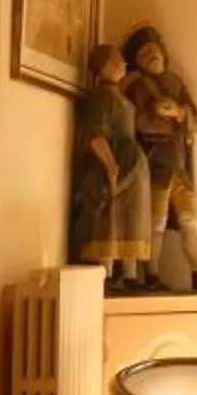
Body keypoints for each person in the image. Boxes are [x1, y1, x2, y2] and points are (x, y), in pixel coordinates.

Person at [119, 23, 197, 290]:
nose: (151, 55)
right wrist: (156, 111)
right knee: (155, 220)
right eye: (143, 53)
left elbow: (195, 117)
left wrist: (179, 113)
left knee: (191, 218)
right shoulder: (135, 85)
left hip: (179, 162)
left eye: (153, 49)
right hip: (153, 162)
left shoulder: (175, 82)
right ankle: (150, 275)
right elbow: (136, 120)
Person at [72, 41, 155, 288]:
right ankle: (106, 271)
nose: (123, 65)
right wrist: (110, 165)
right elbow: (95, 134)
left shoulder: (121, 97)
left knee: (131, 217)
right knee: (111, 219)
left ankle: (130, 273)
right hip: (116, 163)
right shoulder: (101, 97)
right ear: (104, 66)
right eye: (117, 61)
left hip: (133, 166)